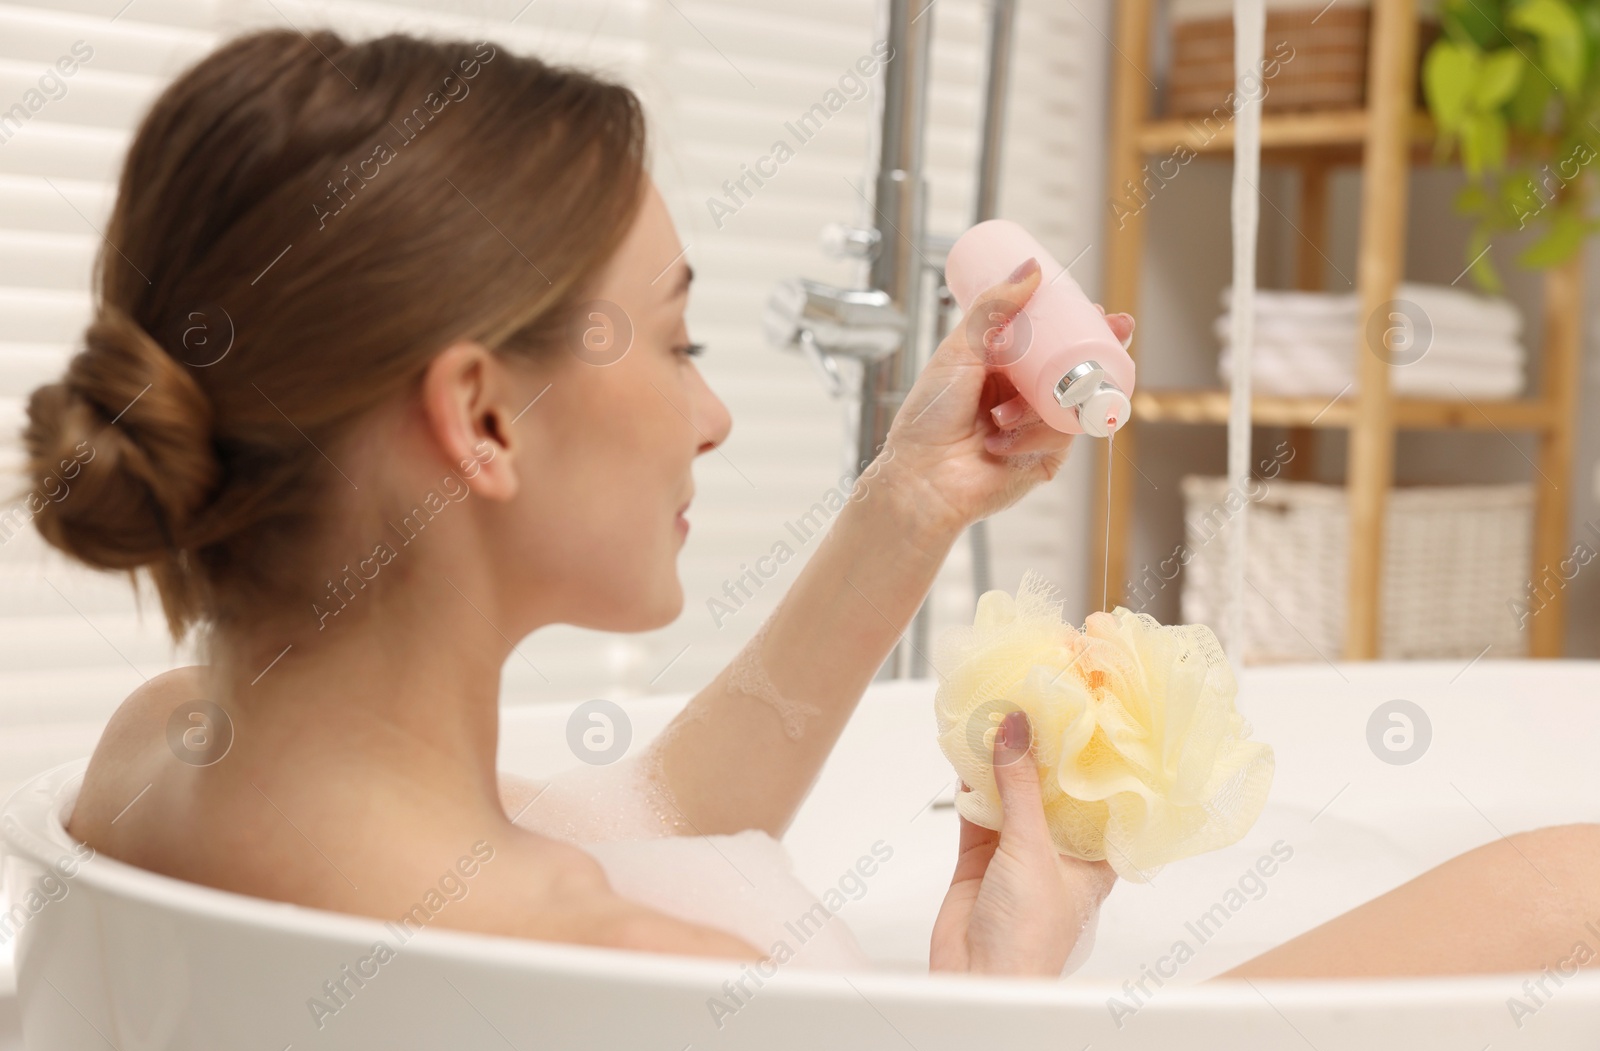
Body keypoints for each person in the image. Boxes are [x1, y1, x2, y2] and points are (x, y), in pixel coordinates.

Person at [26, 29, 1595, 981]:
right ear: (483, 416)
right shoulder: (639, 973)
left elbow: (645, 824)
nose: (712, 417)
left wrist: (911, 502)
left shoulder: (166, 759)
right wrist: (1006, 1006)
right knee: (1553, 887)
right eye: (683, 337)